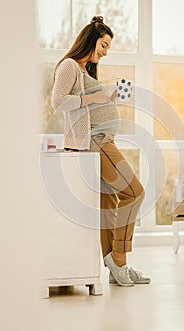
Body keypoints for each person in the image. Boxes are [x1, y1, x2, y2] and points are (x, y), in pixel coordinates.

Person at [52, 16, 150, 287]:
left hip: (104, 140)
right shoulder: (69, 66)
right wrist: (97, 97)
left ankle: (116, 267)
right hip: (94, 141)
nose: (105, 52)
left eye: (108, 47)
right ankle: (118, 258)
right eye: (103, 45)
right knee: (135, 192)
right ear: (91, 40)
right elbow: (58, 102)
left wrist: (111, 95)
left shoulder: (86, 71)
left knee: (109, 203)